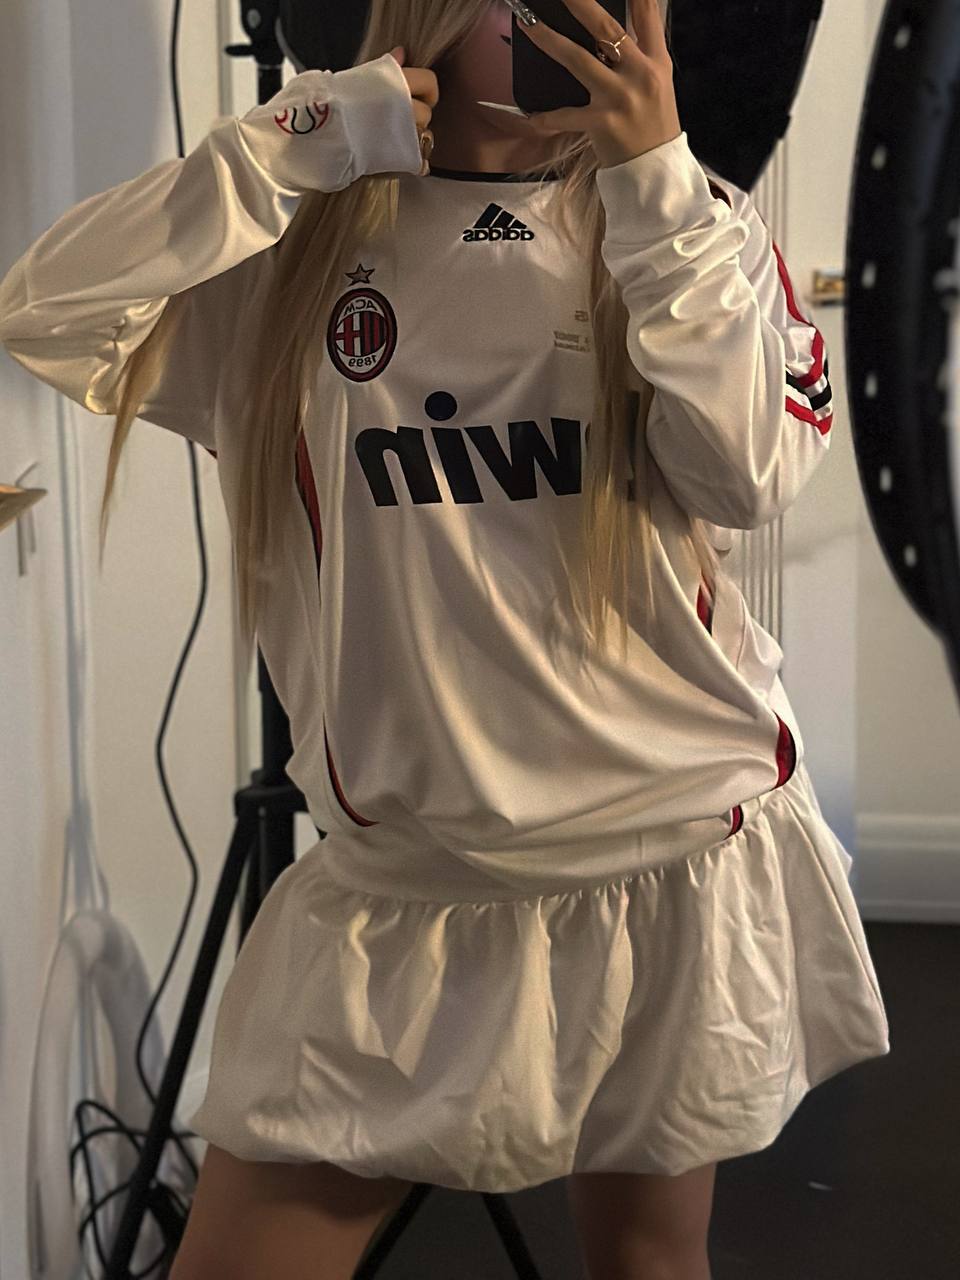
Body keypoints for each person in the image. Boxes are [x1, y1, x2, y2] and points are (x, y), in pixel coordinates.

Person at [0, 2, 890, 1277]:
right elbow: (46, 310)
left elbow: (749, 472)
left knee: (648, 1262)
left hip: (667, 860)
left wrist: (654, 185)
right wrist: (297, 137)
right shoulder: (289, 254)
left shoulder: (695, 226)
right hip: (403, 893)